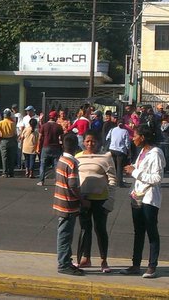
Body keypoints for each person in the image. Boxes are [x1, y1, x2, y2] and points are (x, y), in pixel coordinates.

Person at [121, 124, 164, 279]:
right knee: (138, 231)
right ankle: (136, 264)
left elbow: (157, 178)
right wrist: (132, 168)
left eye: (135, 136)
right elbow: (140, 170)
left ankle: (152, 266)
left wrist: (135, 172)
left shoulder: (156, 153)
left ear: (143, 137)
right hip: (137, 195)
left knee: (151, 231)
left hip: (149, 198)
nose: (133, 139)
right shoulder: (142, 152)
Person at [75, 129, 117, 274]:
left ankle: (104, 260)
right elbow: (74, 178)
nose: (90, 144)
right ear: (83, 142)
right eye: (87, 141)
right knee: (85, 229)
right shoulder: (78, 157)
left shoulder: (106, 157)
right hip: (83, 200)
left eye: (93, 141)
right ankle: (84, 258)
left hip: (100, 200)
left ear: (98, 142)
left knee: (100, 230)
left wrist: (110, 201)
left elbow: (112, 179)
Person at [53, 132, 86, 276]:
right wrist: (82, 198)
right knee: (65, 235)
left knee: (64, 234)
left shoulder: (61, 160)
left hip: (60, 201)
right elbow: (73, 184)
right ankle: (64, 263)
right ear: (76, 146)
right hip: (68, 204)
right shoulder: (72, 163)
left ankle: (66, 260)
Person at [37, 111, 64, 186]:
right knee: (56, 165)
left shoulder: (44, 126)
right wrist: (62, 147)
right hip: (56, 147)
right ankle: (57, 181)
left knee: (43, 164)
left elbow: (39, 138)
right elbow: (62, 137)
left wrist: (38, 147)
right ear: (55, 117)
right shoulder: (58, 126)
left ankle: (41, 181)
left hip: (46, 147)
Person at [107, 114, 130, 187]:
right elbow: (127, 143)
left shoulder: (112, 129)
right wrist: (128, 150)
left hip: (112, 149)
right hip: (120, 151)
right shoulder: (125, 131)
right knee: (120, 167)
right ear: (123, 124)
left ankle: (112, 182)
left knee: (113, 167)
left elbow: (107, 138)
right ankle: (120, 183)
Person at [0, 108, 17, 178]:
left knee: (4, 157)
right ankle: (11, 172)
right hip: (12, 140)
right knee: (11, 157)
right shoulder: (13, 123)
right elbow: (15, 133)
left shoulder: (1, 122)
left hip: (3, 140)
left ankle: (5, 172)